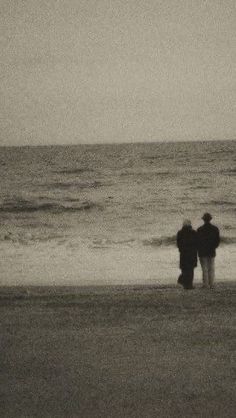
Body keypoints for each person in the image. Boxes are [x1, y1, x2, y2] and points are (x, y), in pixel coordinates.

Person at [197, 213, 220, 289]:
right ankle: (212, 284)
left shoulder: (200, 229)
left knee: (204, 268)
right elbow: (217, 241)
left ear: (203, 220)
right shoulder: (215, 229)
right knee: (211, 267)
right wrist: (214, 247)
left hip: (202, 251)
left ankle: (205, 284)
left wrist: (199, 248)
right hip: (211, 250)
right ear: (210, 219)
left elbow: (197, 241)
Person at [177, 219, 198, 289]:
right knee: (191, 270)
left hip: (183, 254)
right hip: (192, 254)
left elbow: (178, 244)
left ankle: (185, 284)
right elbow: (197, 243)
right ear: (190, 225)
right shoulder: (194, 233)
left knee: (184, 269)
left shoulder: (180, 233)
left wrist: (181, 250)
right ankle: (189, 284)